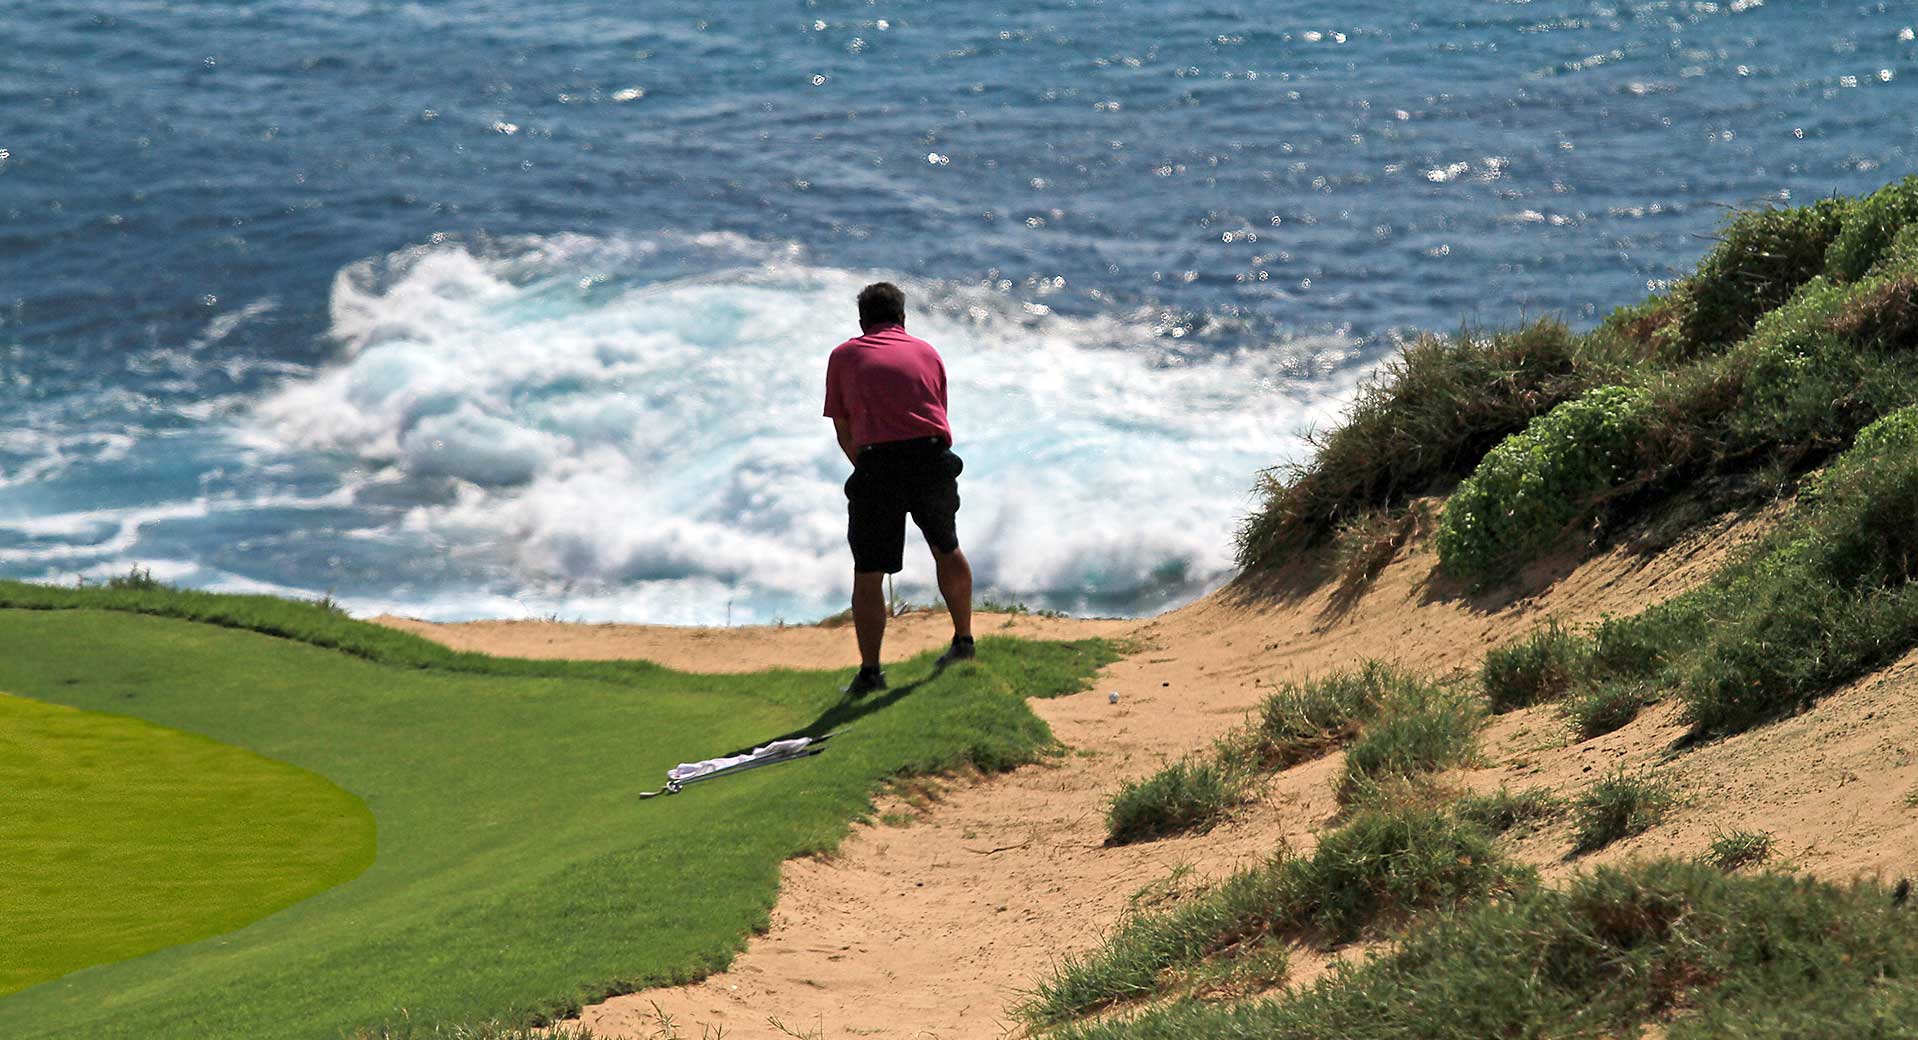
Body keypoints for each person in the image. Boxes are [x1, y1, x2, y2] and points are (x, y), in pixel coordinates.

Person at [823, 282, 975, 695]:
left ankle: (871, 673)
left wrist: (869, 469)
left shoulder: (844, 355)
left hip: (879, 461)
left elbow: (843, 427)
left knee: (868, 571)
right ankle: (964, 641)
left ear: (862, 321)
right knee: (947, 546)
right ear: (902, 319)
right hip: (932, 454)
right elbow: (938, 413)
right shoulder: (927, 351)